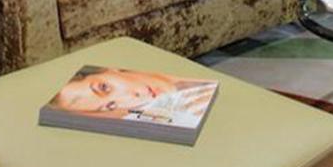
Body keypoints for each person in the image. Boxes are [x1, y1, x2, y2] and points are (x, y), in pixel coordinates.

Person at [48, 66, 216, 120]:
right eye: (111, 105)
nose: (133, 99)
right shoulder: (190, 108)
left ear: (108, 70)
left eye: (104, 88)